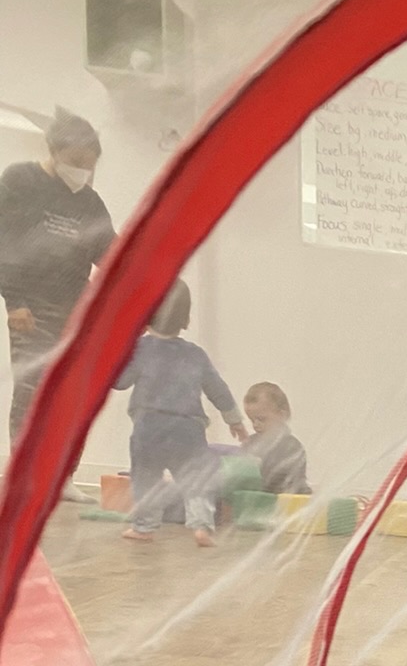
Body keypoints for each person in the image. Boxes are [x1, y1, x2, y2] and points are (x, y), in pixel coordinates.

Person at [0, 108, 114, 467]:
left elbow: (110, 254)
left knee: (71, 393)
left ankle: (62, 474)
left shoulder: (90, 203)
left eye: (90, 166)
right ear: (54, 150)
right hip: (31, 308)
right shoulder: (20, 181)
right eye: (76, 162)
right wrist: (14, 301)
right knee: (32, 389)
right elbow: (4, 241)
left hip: (74, 308)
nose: (83, 172)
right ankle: (25, 474)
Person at [114, 279, 246, 546]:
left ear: (146, 318)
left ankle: (144, 527)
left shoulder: (140, 349)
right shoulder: (195, 355)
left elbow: (120, 382)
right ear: (185, 320)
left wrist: (118, 352)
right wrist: (234, 420)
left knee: (146, 478)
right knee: (197, 479)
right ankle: (202, 527)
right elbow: (218, 389)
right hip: (188, 430)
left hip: (149, 428)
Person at [239, 381, 310, 494]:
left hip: (281, 497)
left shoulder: (291, 447)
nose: (255, 425)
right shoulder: (250, 443)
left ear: (282, 415)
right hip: (255, 498)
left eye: (261, 419)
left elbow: (294, 483)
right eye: (252, 420)